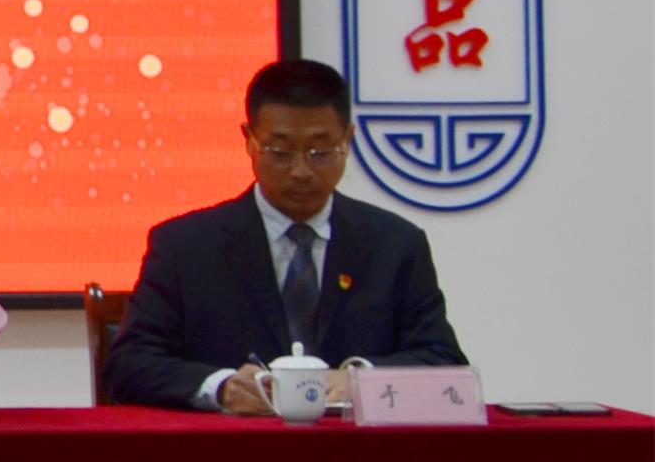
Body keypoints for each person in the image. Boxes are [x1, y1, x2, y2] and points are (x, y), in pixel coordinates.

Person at [105, 58, 466, 411]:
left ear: (348, 139)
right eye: (280, 152)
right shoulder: (185, 246)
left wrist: (360, 380)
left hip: (354, 447)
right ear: (249, 140)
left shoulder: (395, 244)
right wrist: (222, 387)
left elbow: (444, 360)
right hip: (233, 445)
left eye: (320, 152)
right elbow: (128, 363)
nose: (301, 171)